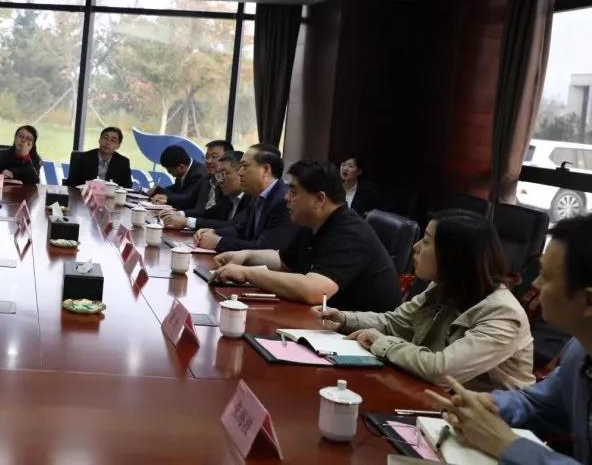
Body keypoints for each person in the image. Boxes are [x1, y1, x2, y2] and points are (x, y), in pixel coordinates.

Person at [425, 214, 592, 465]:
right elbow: (537, 402)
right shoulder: (579, 350)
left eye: (546, 276)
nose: (535, 284)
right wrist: (489, 405)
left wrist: (505, 444)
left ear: (588, 301)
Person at [316, 209, 534, 390]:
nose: (416, 246)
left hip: (491, 421)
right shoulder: (443, 287)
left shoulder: (503, 313)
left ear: (454, 256)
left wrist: (380, 342)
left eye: (427, 241)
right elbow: (394, 323)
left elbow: (443, 371)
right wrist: (344, 319)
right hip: (437, 400)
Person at [212, 159, 400, 311]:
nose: (286, 197)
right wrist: (245, 255)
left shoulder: (350, 232)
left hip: (362, 334)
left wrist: (247, 273)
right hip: (325, 320)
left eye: (293, 192)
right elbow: (284, 261)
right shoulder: (311, 222)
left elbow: (314, 291)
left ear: (319, 199)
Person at [193, 144, 296, 253]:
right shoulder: (257, 196)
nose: (240, 172)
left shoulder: (283, 201)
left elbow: (266, 248)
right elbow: (240, 229)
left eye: (245, 166)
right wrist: (213, 232)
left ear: (266, 170)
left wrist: (218, 242)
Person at [161, 151, 251, 232]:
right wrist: (180, 214)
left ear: (241, 172)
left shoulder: (251, 199)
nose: (220, 181)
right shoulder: (229, 198)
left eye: (225, 173)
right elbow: (208, 214)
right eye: (219, 175)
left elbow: (231, 226)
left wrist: (187, 222)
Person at [65, 127, 132, 187]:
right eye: (105, 138)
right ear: (99, 140)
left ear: (118, 146)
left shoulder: (123, 163)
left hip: (111, 196)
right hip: (85, 195)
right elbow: (71, 183)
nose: (108, 142)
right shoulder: (84, 158)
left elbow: (127, 187)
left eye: (113, 140)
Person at [148, 144, 206, 209]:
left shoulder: (198, 175)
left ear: (181, 167)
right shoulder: (183, 170)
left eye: (170, 170)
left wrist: (167, 198)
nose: (169, 173)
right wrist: (158, 190)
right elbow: (176, 188)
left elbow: (188, 198)